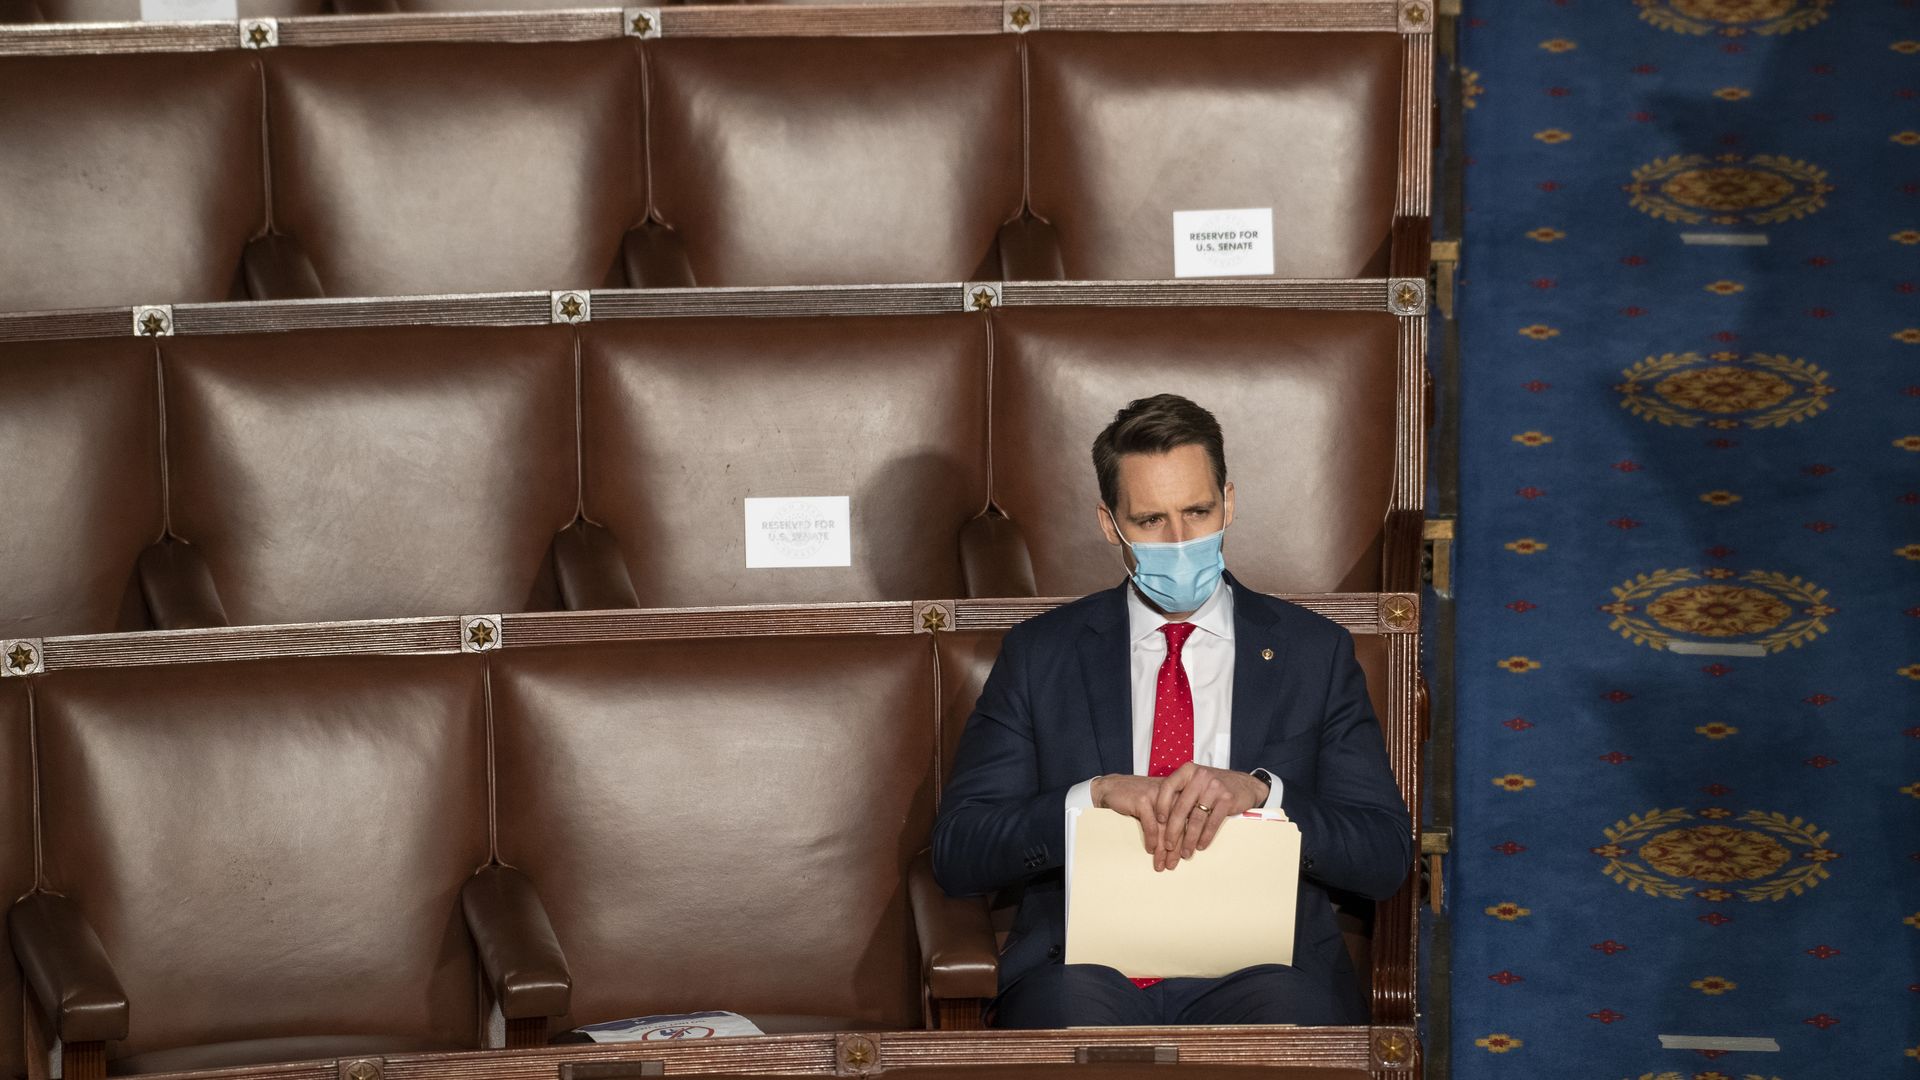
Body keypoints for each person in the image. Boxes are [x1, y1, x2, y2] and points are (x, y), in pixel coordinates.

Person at [930, 393, 1412, 1028]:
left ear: (1229, 503)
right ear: (1111, 525)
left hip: (1265, 972)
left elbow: (1383, 854)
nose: (1181, 541)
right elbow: (960, 848)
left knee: (1288, 1023)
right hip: (1085, 971)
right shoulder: (1040, 654)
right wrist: (1091, 798)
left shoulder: (1312, 653)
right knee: (1065, 1021)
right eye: (1152, 520)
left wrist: (1265, 796)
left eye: (1198, 511)